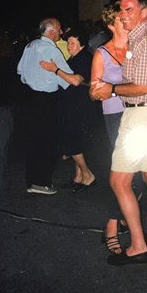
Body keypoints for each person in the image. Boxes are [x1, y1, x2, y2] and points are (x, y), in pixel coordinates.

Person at [91, 0, 147, 266]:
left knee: (119, 180)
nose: (123, 15)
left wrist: (112, 89)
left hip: (143, 117)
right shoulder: (141, 39)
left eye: (129, 10)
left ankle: (139, 246)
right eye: (121, 10)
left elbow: (146, 86)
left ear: (144, 11)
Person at [90, 2, 145, 255]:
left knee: (140, 175)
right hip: (116, 118)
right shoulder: (101, 54)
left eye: (127, 18)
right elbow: (94, 93)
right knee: (122, 175)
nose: (126, 23)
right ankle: (111, 226)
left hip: (141, 115)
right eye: (121, 20)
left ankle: (124, 212)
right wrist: (99, 91)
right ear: (111, 25)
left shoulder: (139, 48)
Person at [17, 17, 74, 195]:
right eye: (59, 29)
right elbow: (68, 77)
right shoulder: (51, 49)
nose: (61, 32)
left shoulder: (30, 46)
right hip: (46, 100)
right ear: (51, 32)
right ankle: (41, 182)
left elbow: (20, 70)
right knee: (48, 141)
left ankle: (31, 181)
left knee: (34, 140)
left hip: (30, 97)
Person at [39, 26, 96, 192]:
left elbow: (76, 81)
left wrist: (55, 70)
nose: (69, 46)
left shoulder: (84, 58)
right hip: (73, 106)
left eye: (72, 43)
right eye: (68, 43)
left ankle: (88, 175)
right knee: (76, 142)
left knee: (72, 144)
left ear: (81, 45)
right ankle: (79, 177)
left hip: (78, 107)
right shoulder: (75, 58)